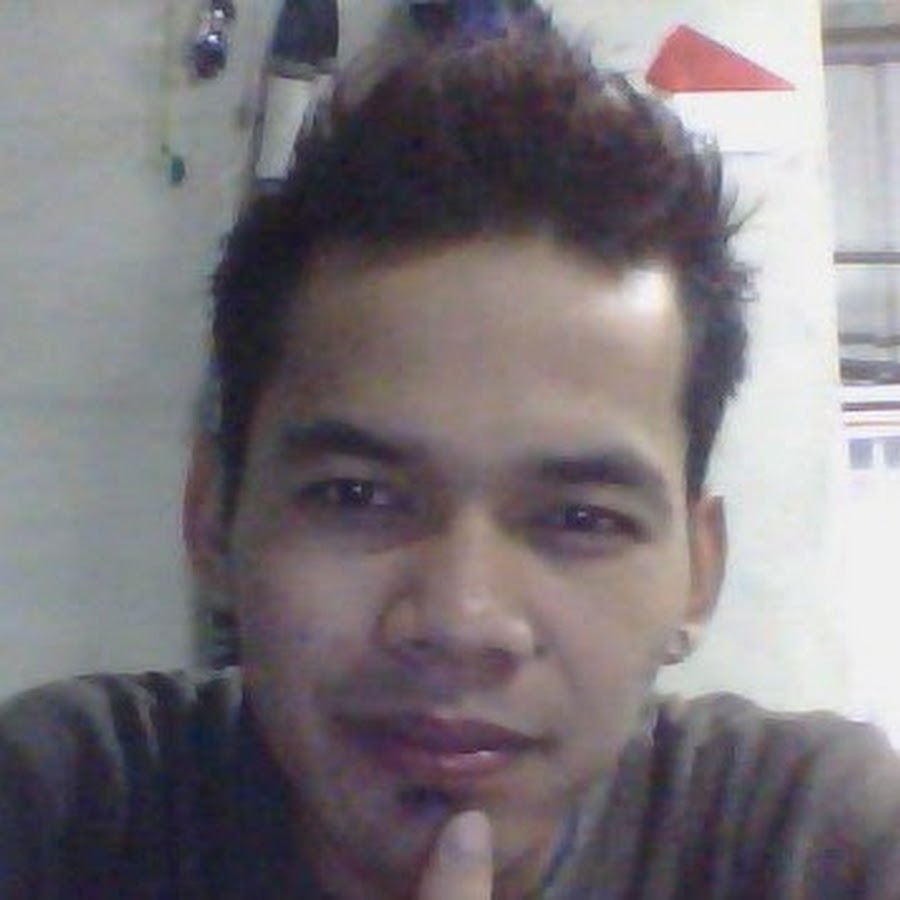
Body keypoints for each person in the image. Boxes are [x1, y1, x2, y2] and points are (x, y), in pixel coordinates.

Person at [2, 21, 900, 900]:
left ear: (699, 574)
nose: (463, 621)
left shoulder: (812, 838)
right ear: (212, 519)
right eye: (356, 496)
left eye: (580, 518)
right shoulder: (64, 808)